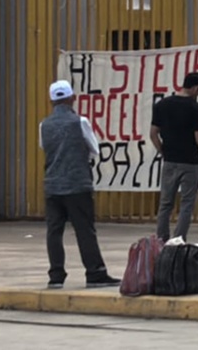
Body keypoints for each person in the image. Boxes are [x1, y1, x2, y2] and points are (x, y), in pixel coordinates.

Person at [39, 80, 120, 289]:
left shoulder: (44, 125)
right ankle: (95, 272)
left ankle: (56, 275)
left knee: (54, 231)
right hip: (77, 184)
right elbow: (95, 149)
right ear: (72, 97)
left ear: (51, 101)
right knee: (84, 230)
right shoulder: (80, 122)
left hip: (52, 185)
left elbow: (45, 147)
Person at [151, 71, 198, 242]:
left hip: (170, 160)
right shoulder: (196, 109)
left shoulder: (162, 105)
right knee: (187, 203)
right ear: (195, 88)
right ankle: (178, 241)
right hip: (190, 161)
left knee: (165, 203)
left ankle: (161, 239)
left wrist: (163, 151)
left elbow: (153, 133)